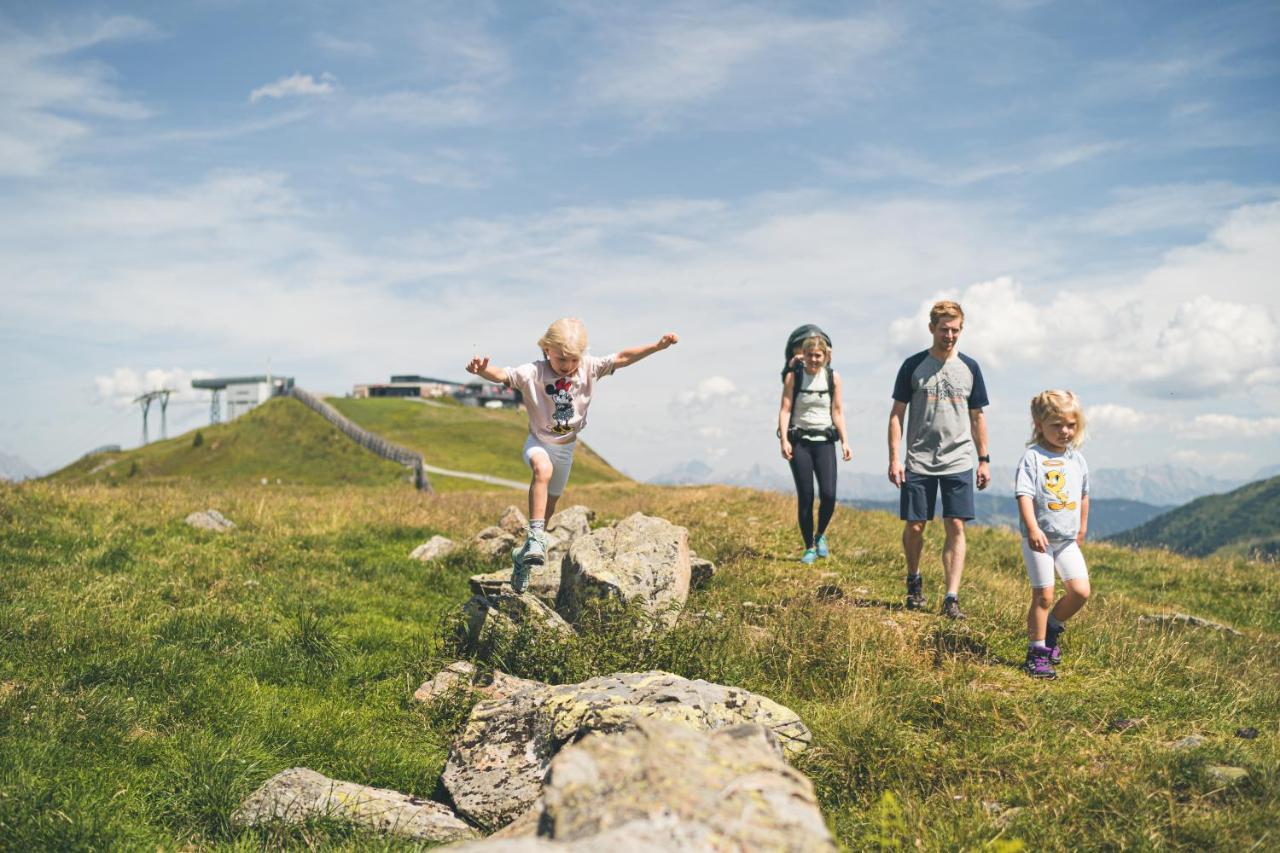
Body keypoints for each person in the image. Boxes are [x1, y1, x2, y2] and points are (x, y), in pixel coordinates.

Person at [466, 319, 678, 591]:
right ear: (546, 349)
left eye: (572, 359)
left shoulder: (590, 367)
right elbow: (502, 375)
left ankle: (523, 559)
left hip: (565, 449)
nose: (566, 365)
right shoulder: (533, 372)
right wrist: (483, 372)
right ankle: (535, 539)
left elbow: (624, 357)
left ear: (583, 354)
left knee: (548, 510)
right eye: (560, 359)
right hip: (539, 443)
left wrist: (657, 347)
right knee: (542, 470)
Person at [887, 300, 990, 618]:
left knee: (956, 524)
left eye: (956, 330)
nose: (950, 335)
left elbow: (977, 416)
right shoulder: (913, 365)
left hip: (959, 460)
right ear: (931, 328)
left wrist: (984, 458)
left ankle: (951, 597)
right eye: (944, 329)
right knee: (916, 526)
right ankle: (914, 579)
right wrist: (894, 458)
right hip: (919, 459)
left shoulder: (970, 367)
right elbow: (896, 415)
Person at [1015, 390, 1091, 679]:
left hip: (1067, 539)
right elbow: (1024, 494)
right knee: (1043, 596)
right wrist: (1032, 528)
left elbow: (1084, 495)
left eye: (1070, 425)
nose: (1064, 431)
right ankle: (1036, 654)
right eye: (1056, 425)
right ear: (1039, 425)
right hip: (1040, 539)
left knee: (1081, 592)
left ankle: (1052, 629)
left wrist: (1082, 528)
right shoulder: (1033, 457)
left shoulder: (1077, 460)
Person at [777, 331, 851, 563]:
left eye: (818, 355)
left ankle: (820, 535)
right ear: (803, 355)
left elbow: (837, 411)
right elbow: (785, 409)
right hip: (799, 442)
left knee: (828, 495)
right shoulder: (794, 377)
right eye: (810, 355)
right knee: (806, 495)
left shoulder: (833, 377)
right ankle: (809, 546)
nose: (814, 359)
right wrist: (784, 440)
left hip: (825, 441)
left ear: (826, 356)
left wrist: (845, 441)